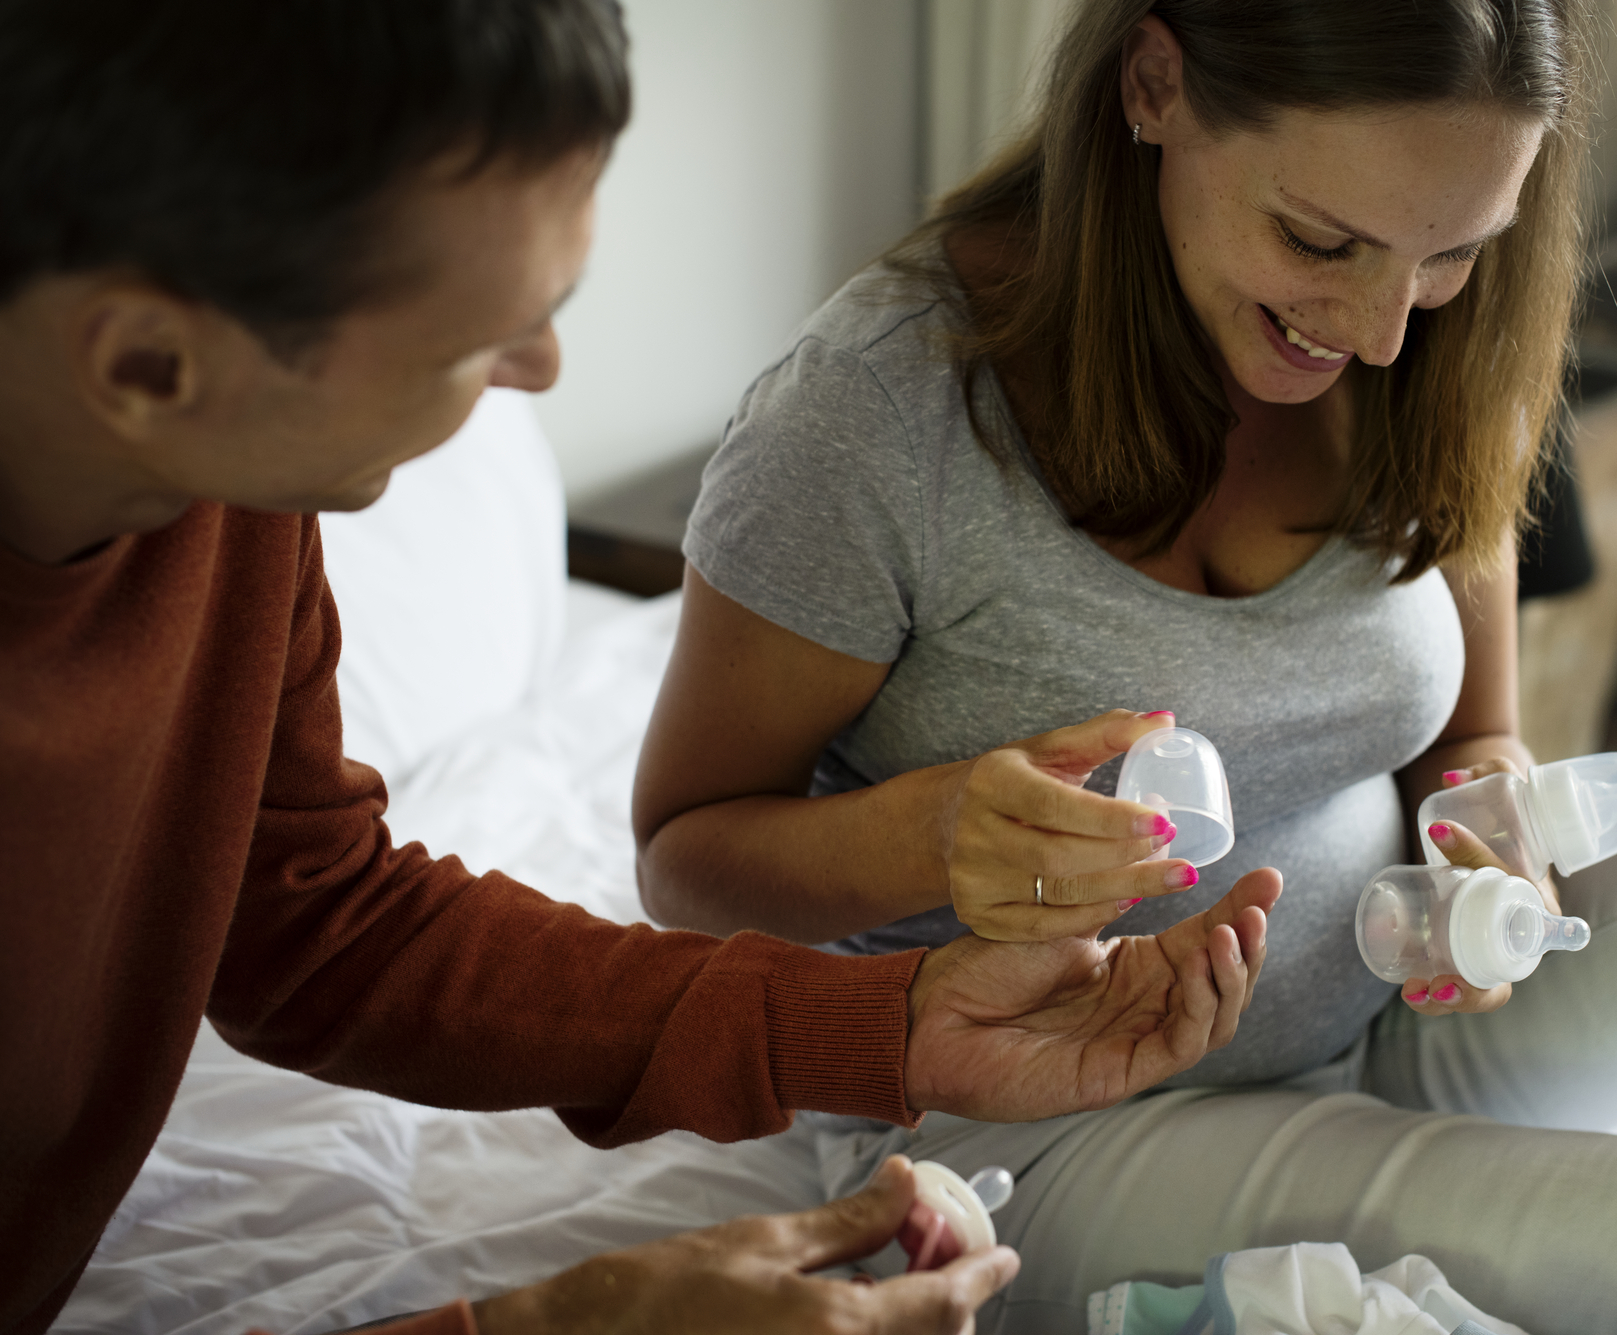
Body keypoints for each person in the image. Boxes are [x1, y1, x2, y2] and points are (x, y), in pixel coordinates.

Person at [632, 1, 1617, 1331]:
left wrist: (1491, 828)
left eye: (1455, 253)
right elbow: (685, 864)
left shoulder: (1436, 337)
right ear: (1154, 85)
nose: (1385, 329)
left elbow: (1475, 736)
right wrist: (937, 840)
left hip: (1404, 1001)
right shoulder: (872, 418)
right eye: (1321, 239)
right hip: (1047, 1124)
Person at [0, 3, 1286, 1333]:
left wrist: (886, 1024)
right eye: (476, 343)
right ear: (149, 361)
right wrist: (547, 1324)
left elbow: (311, 920)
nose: (542, 370)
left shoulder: (221, 495)